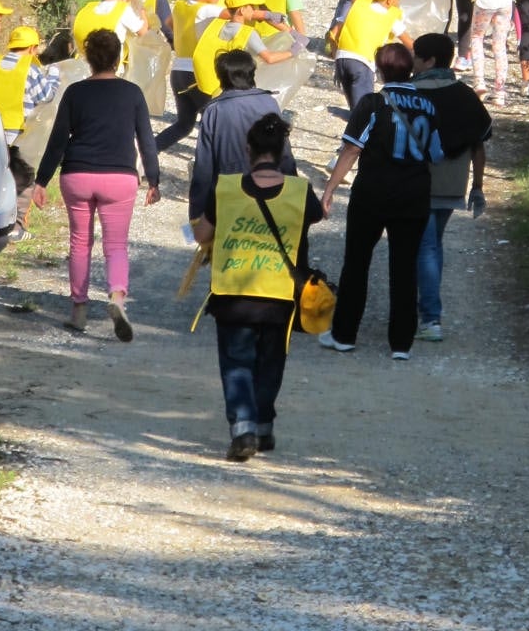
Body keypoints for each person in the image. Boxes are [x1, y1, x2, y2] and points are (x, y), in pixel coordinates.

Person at [192, 111, 322, 460]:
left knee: (236, 363)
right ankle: (263, 428)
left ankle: (243, 430)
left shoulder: (227, 188)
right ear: (282, 152)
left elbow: (202, 233)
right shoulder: (301, 192)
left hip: (233, 293)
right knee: (270, 363)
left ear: (248, 149)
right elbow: (315, 217)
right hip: (280, 296)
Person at [32, 27, 160, 338]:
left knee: (80, 242)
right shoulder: (132, 93)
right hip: (119, 177)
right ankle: (117, 296)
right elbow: (146, 140)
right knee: (115, 245)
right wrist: (154, 180)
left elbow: (58, 140)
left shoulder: (75, 93)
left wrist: (41, 180)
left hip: (77, 175)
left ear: (88, 60)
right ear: (118, 58)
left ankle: (78, 311)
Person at [319, 42, 445, 358]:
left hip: (371, 194)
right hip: (413, 196)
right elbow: (436, 153)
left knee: (357, 264)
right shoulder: (428, 106)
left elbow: (351, 150)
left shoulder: (373, 103)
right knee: (404, 268)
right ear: (410, 69)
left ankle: (344, 334)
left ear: (380, 70)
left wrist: (331, 187)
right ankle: (401, 344)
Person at [410, 33, 491, 343]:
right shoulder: (465, 94)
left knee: (425, 248)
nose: (413, 62)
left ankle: (430, 318)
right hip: (452, 184)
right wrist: (478, 187)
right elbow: (479, 144)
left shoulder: (408, 93)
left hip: (415, 182)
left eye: (417, 56)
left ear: (428, 60)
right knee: (432, 245)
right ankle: (425, 312)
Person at [186, 48, 296, 222]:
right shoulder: (269, 103)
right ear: (252, 73)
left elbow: (204, 167)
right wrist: (292, 192)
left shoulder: (214, 111)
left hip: (228, 197)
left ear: (221, 77)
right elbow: (284, 152)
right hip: (269, 192)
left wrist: (196, 215)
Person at [0, 25, 61, 241]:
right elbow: (46, 95)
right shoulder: (30, 68)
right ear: (31, 48)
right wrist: (54, 74)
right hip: (19, 132)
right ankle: (16, 227)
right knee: (23, 178)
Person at [155, 0, 232, 152]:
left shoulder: (181, 5)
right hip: (198, 75)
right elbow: (237, 15)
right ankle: (208, 163)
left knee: (184, 125)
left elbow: (169, 23)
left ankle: (148, 151)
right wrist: (264, 14)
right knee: (215, 124)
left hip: (178, 72)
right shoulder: (206, 10)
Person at [191, 0, 293, 103]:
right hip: (233, 89)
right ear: (242, 10)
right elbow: (269, 58)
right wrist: (293, 51)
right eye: (251, 6)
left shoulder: (216, 25)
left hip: (210, 84)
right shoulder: (247, 33)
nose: (254, 10)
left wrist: (266, 15)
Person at [334, 0, 411, 107]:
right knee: (364, 106)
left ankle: (355, 121)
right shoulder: (390, 16)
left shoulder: (358, 5)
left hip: (342, 58)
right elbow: (409, 43)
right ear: (389, 1)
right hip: (362, 63)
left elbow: (335, 31)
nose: (398, 2)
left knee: (354, 105)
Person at [72, 0, 146, 62]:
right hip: (110, 70)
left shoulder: (87, 9)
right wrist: (141, 9)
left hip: (85, 65)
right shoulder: (123, 10)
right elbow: (144, 33)